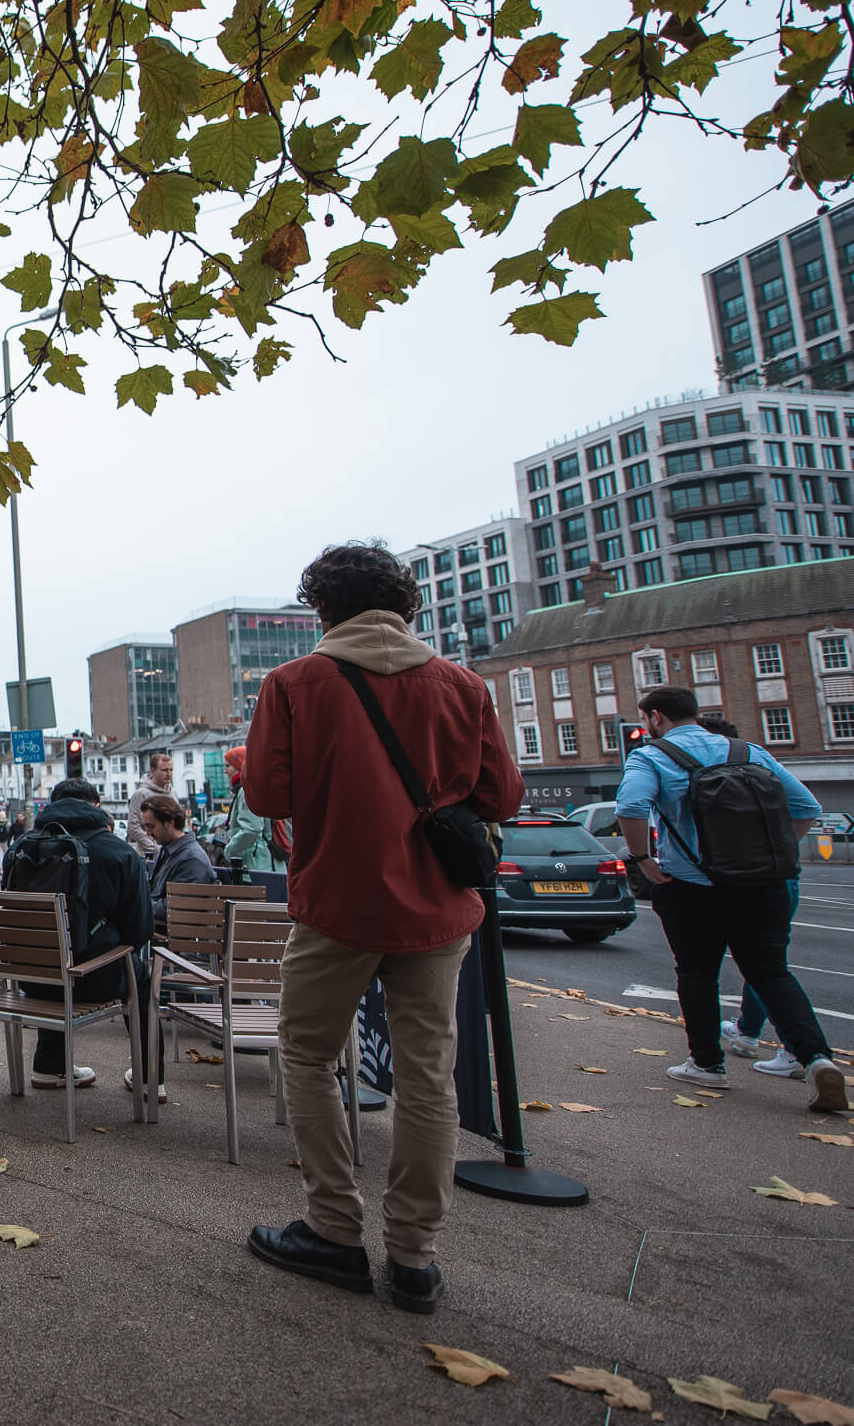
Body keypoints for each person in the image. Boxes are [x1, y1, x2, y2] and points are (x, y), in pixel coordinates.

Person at [242, 542, 524, 1316]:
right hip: (437, 909)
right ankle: (414, 1257)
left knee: (304, 1056)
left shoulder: (295, 683)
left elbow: (266, 794)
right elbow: (502, 794)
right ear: (406, 606)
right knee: (427, 1073)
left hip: (339, 900)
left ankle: (333, 1225)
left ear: (322, 608)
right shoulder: (462, 686)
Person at [615, 687, 843, 1112]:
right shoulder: (748, 751)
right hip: (763, 885)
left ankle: (708, 1065)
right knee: (772, 973)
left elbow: (631, 806)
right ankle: (816, 1059)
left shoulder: (652, 755)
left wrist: (643, 859)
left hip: (691, 887)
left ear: (655, 717)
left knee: (698, 974)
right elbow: (806, 806)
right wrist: (774, 856)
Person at [694, 718, 816, 1079]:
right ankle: (748, 1033)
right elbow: (808, 807)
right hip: (778, 876)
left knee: (761, 969)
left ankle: (794, 1050)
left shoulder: (703, 770)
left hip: (730, 880)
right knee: (766, 965)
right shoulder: (757, 760)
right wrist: (778, 851)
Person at [13, 777, 152, 1090]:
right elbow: (139, 930)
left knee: (54, 953)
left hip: (31, 978)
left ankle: (50, 1065)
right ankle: (148, 1076)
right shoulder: (119, 852)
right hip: (93, 981)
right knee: (138, 975)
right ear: (96, 806)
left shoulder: (21, 848)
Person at [138, 794, 218, 915]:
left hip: (169, 929)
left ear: (170, 823)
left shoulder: (191, 859)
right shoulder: (168, 850)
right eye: (145, 827)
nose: (148, 833)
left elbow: (177, 908)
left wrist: (137, 906)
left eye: (151, 826)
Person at [220, 745, 283, 874]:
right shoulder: (260, 786)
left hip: (257, 865)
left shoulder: (246, 791)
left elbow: (251, 829)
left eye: (228, 766)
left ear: (240, 766)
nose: (225, 771)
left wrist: (229, 850)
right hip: (270, 864)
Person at [125, 751, 176, 858]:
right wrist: (155, 848)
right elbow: (133, 827)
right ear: (153, 770)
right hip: (149, 856)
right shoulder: (141, 794)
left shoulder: (173, 794)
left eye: (171, 770)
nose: (168, 773)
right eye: (164, 770)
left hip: (171, 854)